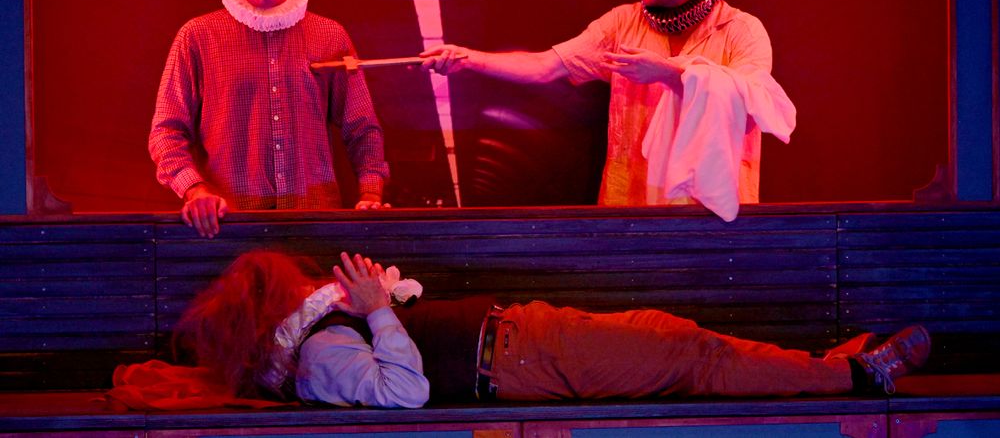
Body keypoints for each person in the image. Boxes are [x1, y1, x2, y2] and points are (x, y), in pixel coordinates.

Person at [164, 250, 930, 408]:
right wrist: (376, 308)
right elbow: (404, 391)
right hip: (519, 359)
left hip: (524, 339)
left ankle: (819, 365)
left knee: (681, 341)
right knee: (686, 350)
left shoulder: (321, 334)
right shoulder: (320, 351)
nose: (305, 278)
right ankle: (853, 376)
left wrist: (377, 302)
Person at [421, 0, 796, 220]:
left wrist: (668, 73)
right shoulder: (621, 24)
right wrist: (469, 59)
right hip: (631, 212)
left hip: (712, 217)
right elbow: (545, 66)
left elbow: (758, 100)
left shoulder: (740, 29)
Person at [149, 0, 390, 239]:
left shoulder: (330, 35)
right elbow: (166, 131)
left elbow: (362, 127)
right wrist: (195, 189)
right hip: (229, 227)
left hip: (315, 224)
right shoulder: (197, 37)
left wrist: (371, 193)